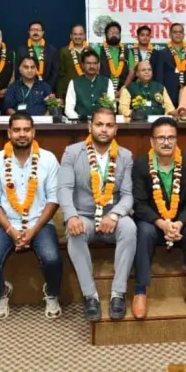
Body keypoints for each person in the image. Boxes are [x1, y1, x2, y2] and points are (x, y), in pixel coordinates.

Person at [0, 113, 62, 320]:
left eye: (26, 129)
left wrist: (33, 230)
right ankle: (0, 293)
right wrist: (11, 230)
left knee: (53, 259)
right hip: (5, 224)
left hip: (40, 223)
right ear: (9, 133)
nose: (22, 134)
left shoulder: (48, 159)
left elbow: (54, 198)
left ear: (33, 132)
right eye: (17, 130)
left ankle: (52, 293)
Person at [58, 108, 136, 321]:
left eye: (109, 125)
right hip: (84, 216)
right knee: (75, 233)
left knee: (130, 228)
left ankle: (118, 293)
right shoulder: (72, 152)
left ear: (115, 129)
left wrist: (115, 215)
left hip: (112, 216)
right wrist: (71, 216)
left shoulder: (125, 156)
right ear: (90, 126)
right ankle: (90, 296)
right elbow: (64, 188)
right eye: (99, 124)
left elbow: (128, 195)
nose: (104, 129)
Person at [131, 118, 186, 319]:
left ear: (176, 140)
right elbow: (139, 203)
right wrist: (162, 223)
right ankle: (140, 290)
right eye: (161, 138)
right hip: (153, 221)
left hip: (181, 221)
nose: (166, 142)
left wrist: (179, 223)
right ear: (152, 141)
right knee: (144, 232)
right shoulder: (141, 164)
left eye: (171, 137)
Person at [153, 23, 186, 108]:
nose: (178, 34)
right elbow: (159, 76)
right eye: (175, 32)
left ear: (183, 35)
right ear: (170, 34)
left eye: (180, 32)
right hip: (168, 93)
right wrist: (160, 92)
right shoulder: (162, 53)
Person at [65, 50, 115, 120]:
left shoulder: (107, 81)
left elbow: (112, 106)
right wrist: (80, 120)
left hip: (102, 122)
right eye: (88, 63)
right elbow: (68, 109)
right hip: (80, 123)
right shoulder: (74, 82)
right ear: (82, 65)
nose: (92, 66)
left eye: (94, 63)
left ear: (98, 65)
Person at [15, 21, 59, 92]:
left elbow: (55, 72)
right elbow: (18, 72)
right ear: (29, 32)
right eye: (32, 30)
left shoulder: (52, 50)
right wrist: (26, 88)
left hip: (47, 90)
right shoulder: (21, 50)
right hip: (27, 90)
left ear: (43, 32)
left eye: (38, 30)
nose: (35, 32)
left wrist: (47, 88)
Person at [94, 21, 129, 98]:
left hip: (123, 91)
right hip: (102, 90)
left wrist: (123, 88)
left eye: (116, 33)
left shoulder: (127, 51)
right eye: (111, 33)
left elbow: (132, 71)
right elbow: (95, 70)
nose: (114, 35)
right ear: (106, 35)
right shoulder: (98, 50)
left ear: (120, 35)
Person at [57, 24, 89, 100]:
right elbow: (60, 75)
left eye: (80, 34)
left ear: (84, 36)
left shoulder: (90, 51)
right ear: (71, 36)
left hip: (87, 92)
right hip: (69, 93)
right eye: (75, 34)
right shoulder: (64, 51)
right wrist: (60, 96)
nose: (78, 37)